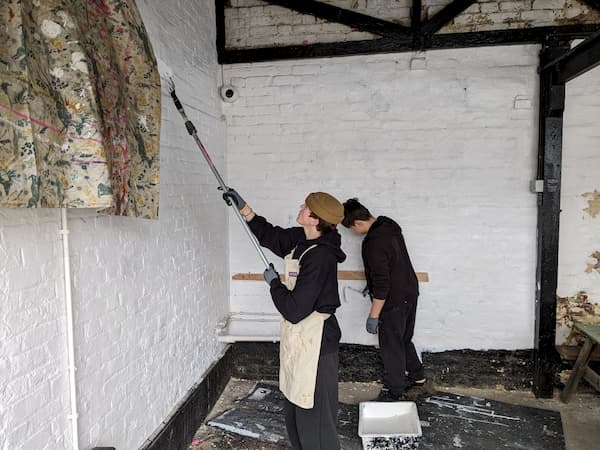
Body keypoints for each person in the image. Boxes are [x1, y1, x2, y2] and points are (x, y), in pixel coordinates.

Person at [224, 188, 346, 450]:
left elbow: (293, 309)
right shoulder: (303, 239)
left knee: (315, 419)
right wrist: (245, 209)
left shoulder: (320, 256)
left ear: (315, 220)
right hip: (301, 339)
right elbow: (273, 237)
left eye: (306, 206)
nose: (300, 206)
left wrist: (274, 285)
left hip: (317, 342)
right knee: (296, 413)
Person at [342, 198, 426, 401]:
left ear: (358, 223)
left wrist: (374, 315)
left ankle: (395, 391)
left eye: (352, 228)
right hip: (409, 293)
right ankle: (418, 377)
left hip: (393, 300)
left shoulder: (373, 243)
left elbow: (382, 284)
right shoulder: (389, 225)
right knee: (404, 339)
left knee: (391, 346)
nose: (355, 232)